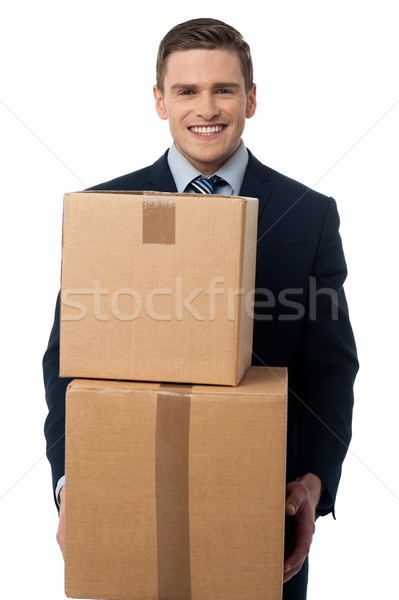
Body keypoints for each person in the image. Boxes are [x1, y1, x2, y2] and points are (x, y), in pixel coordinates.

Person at [43, 17, 358, 600]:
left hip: (256, 514)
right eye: (186, 91)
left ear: (251, 99)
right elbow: (66, 362)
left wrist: (313, 485)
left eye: (224, 89)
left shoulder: (308, 215)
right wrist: (72, 484)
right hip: (128, 510)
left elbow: (331, 370)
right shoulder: (106, 211)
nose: (205, 107)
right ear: (160, 101)